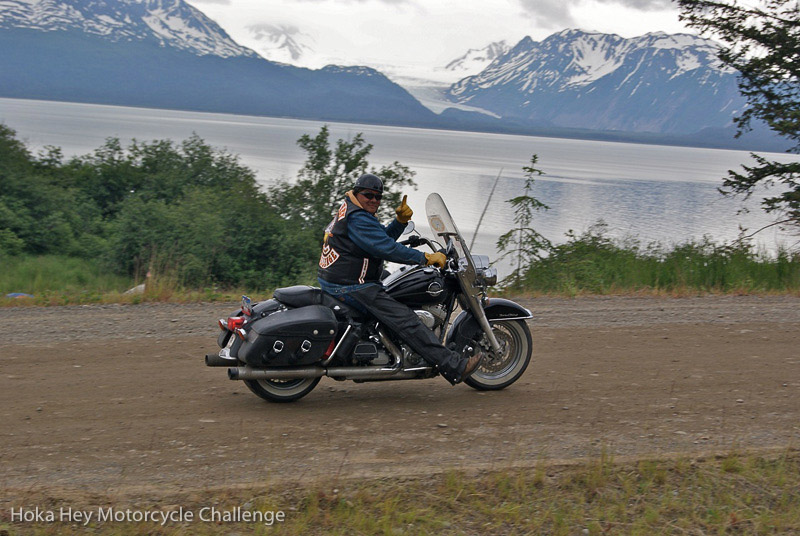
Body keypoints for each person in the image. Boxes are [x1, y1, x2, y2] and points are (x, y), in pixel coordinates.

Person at [317, 173, 482, 385]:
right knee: (407, 321)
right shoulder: (357, 218)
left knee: (398, 284)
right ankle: (454, 367)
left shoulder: (352, 210)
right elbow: (385, 248)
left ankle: (391, 344)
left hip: (342, 277)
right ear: (357, 193)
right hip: (349, 285)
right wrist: (425, 258)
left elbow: (378, 239)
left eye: (378, 197)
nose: (374, 200)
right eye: (369, 195)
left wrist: (400, 222)